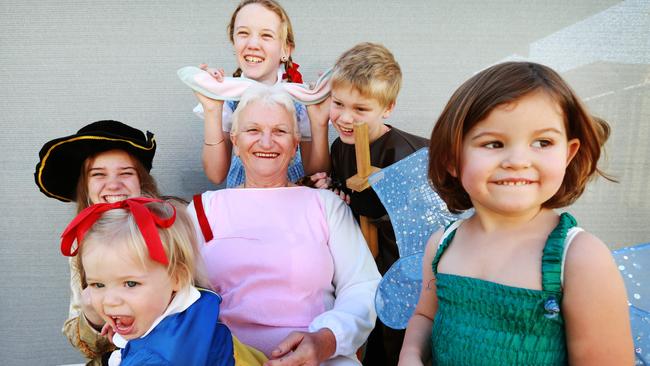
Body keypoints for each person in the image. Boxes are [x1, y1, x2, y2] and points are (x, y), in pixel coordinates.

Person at [399, 61, 633, 365]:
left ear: (569, 153)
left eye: (543, 142)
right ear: (452, 159)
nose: (518, 160)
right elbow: (425, 316)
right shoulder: (442, 245)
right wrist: (410, 353)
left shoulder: (579, 259)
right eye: (494, 143)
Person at [188, 85, 381, 365]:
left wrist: (326, 340)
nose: (266, 142)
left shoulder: (325, 205)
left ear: (294, 146)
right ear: (235, 141)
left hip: (321, 358)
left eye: (279, 132)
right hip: (226, 357)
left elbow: (362, 286)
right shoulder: (203, 209)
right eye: (253, 130)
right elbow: (176, 291)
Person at [310, 42, 428, 366]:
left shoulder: (405, 155)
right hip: (366, 270)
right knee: (370, 343)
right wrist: (334, 190)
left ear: (386, 108)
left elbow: (418, 223)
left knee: (397, 347)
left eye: (360, 110)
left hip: (404, 275)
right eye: (338, 104)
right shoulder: (342, 146)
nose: (346, 118)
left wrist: (369, 203)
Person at [59, 197, 267, 365]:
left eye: (130, 284)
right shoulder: (190, 308)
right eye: (98, 285)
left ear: (177, 277)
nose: (110, 301)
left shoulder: (157, 358)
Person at [35, 120, 160, 364]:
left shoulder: (171, 231)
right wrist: (92, 312)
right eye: (99, 174)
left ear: (141, 182)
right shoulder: (80, 246)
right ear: (86, 187)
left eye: (126, 173)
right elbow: (86, 346)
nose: (113, 184)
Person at [193, 0, 330, 187]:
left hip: (291, 198)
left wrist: (319, 122)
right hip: (243, 199)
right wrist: (212, 109)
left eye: (266, 35)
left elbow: (317, 175)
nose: (253, 44)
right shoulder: (227, 96)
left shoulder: (301, 99)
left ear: (285, 50)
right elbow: (216, 175)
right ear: (233, 42)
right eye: (243, 33)